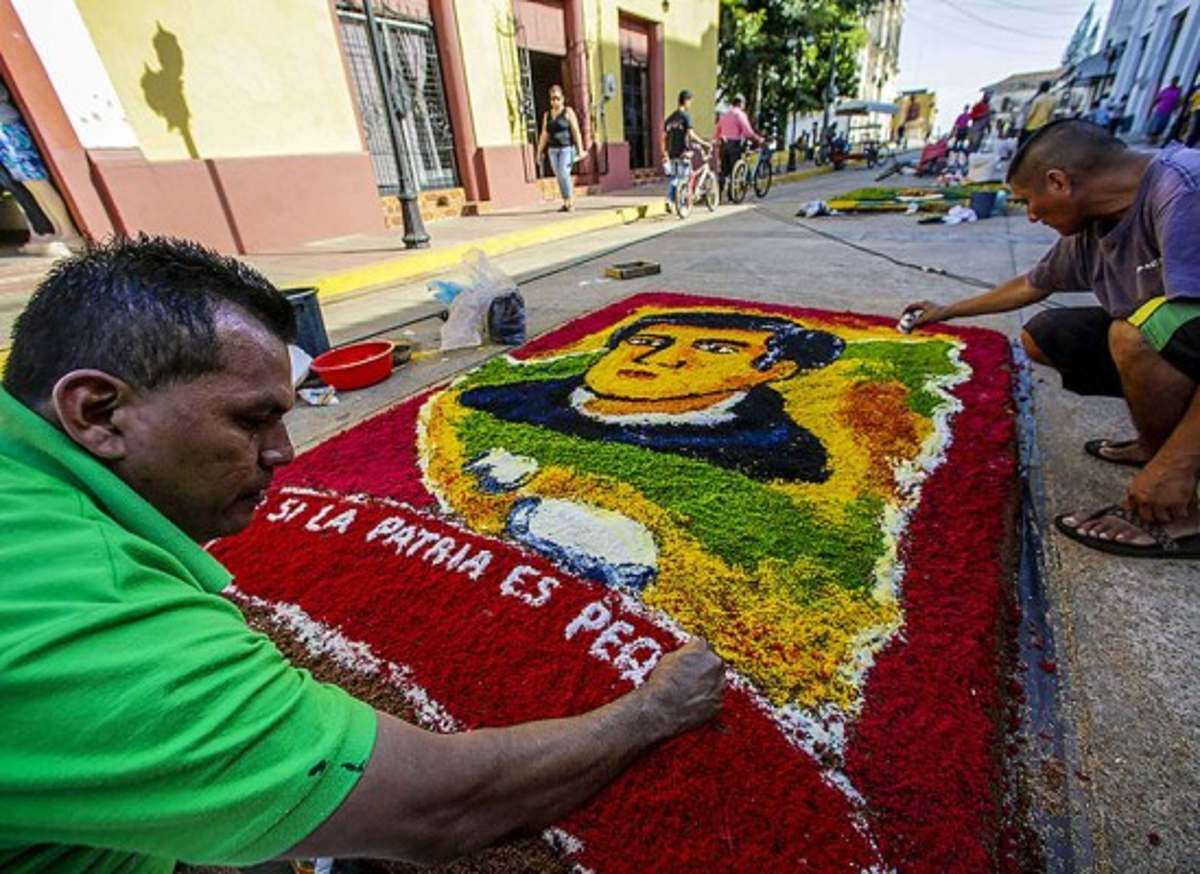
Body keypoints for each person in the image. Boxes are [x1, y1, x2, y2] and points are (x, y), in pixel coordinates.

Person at [0, 235, 726, 871]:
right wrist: (656, 709)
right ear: (97, 412)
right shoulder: (103, 624)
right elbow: (443, 809)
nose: (285, 452)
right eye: (252, 420)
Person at [901, 120, 1200, 558]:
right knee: (1046, 335)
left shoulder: (1184, 192)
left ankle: (1184, 510)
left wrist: (1180, 463)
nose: (1032, 216)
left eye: (1029, 202)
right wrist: (944, 312)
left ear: (1058, 182)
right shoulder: (1097, 218)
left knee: (1133, 334)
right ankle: (1152, 447)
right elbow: (1032, 285)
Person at [535, 84, 585, 212]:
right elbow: (544, 134)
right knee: (560, 176)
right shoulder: (547, 115)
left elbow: (576, 131)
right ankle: (566, 202)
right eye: (552, 99)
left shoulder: (568, 112)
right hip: (553, 150)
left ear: (562, 99)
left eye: (557, 98)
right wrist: (539, 152)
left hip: (566, 149)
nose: (555, 101)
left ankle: (570, 202)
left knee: (563, 173)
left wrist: (580, 150)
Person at [662, 89, 707, 211]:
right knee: (682, 177)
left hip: (672, 152)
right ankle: (672, 200)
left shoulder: (669, 119)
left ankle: (671, 201)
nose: (690, 104)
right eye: (690, 101)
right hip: (683, 151)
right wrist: (704, 142)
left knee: (675, 177)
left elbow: (664, 137)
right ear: (686, 101)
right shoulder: (686, 117)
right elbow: (691, 134)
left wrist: (665, 152)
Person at [713, 94, 761, 195]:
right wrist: (757, 139)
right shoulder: (739, 114)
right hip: (734, 144)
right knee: (734, 169)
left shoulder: (724, 114)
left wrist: (717, 141)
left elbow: (717, 130)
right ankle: (732, 194)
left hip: (723, 144)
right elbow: (748, 132)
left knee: (724, 170)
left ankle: (718, 194)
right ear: (741, 104)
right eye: (744, 104)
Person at [1019, 80, 1056, 145]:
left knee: (1021, 144)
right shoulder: (1053, 99)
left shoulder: (1037, 99)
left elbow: (1030, 114)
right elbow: (1051, 115)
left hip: (1031, 127)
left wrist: (1023, 125)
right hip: (1044, 126)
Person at [1147, 76, 1182, 143]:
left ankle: (1155, 138)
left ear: (1177, 82)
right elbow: (1158, 98)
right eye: (1172, 81)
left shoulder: (1178, 91)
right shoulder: (1166, 90)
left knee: (1162, 125)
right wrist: (1151, 107)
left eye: (1175, 81)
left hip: (1168, 111)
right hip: (1160, 109)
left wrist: (1176, 108)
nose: (1173, 82)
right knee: (1156, 125)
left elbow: (1178, 101)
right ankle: (1152, 139)